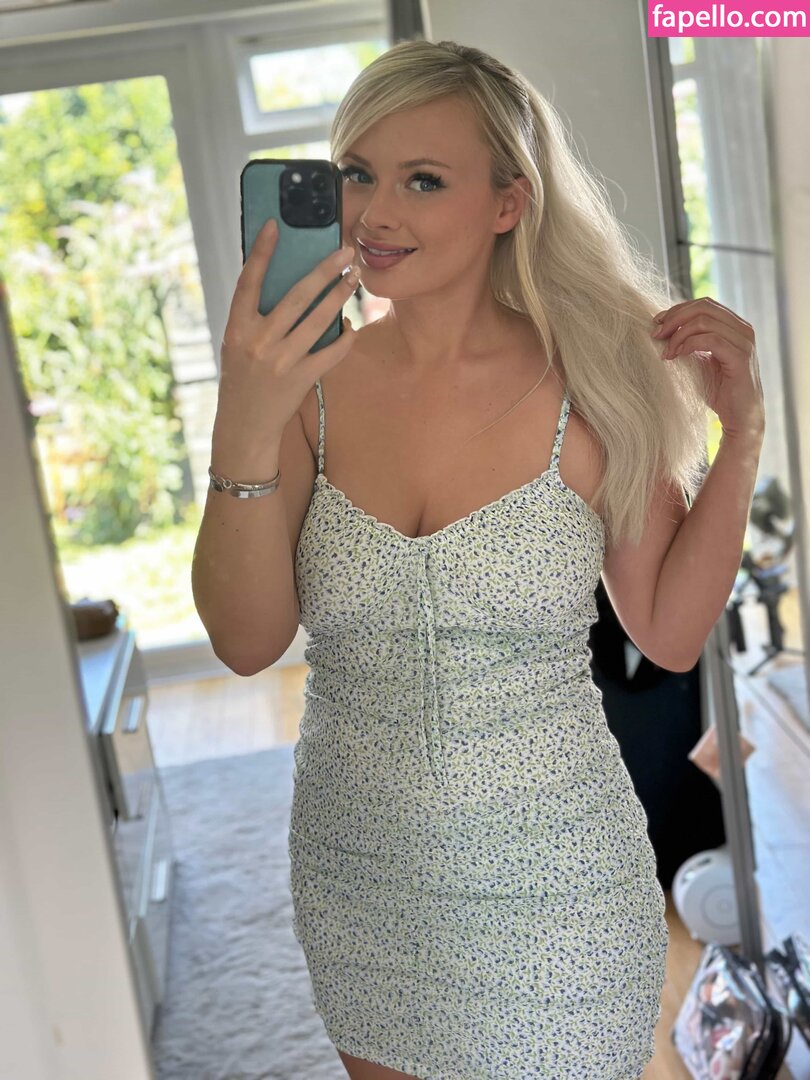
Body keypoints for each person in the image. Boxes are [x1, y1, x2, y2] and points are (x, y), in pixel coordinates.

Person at [192, 38, 765, 1080]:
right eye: (356, 172)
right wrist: (245, 412)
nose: (374, 213)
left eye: (422, 179)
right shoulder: (304, 389)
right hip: (362, 879)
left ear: (509, 202)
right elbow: (244, 642)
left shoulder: (595, 381)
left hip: (560, 884)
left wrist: (744, 438)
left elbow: (672, 634)